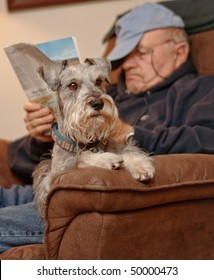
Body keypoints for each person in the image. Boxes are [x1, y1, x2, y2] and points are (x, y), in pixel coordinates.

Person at [1, 2, 214, 253]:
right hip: (45, 185)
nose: (129, 64)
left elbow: (207, 140)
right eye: (123, 56)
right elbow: (18, 161)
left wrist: (130, 132)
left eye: (141, 52)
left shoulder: (199, 91)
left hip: (88, 200)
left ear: (178, 52)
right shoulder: (107, 91)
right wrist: (42, 136)